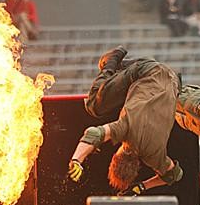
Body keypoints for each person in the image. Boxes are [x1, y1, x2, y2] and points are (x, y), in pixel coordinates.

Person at [66, 46, 184, 195]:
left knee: (125, 94)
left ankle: (119, 67)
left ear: (137, 166)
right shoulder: (125, 131)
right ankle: (112, 60)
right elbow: (94, 134)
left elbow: (174, 175)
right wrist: (77, 160)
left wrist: (140, 187)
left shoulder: (154, 156)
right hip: (147, 70)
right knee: (94, 106)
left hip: (174, 82)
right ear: (115, 156)